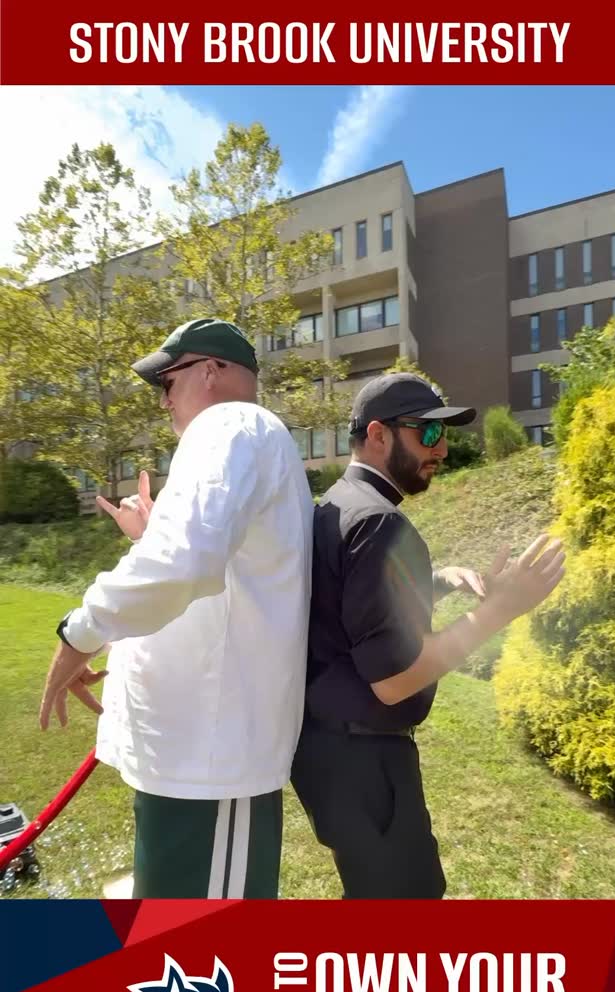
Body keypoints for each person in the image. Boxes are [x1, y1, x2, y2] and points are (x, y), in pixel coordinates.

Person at [39, 317, 314, 900]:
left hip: (210, 767)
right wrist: (147, 542)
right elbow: (201, 570)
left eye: (167, 381)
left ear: (212, 371)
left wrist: (80, 632)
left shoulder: (231, 422)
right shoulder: (238, 436)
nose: (162, 399)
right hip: (191, 760)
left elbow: (186, 560)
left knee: (205, 971)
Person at [291, 373, 565, 900]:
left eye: (445, 435)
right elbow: (394, 681)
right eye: (429, 434)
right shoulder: (380, 524)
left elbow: (354, 611)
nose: (442, 449)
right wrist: (501, 610)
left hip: (331, 753)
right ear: (379, 435)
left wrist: (436, 581)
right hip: (365, 760)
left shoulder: (339, 505)